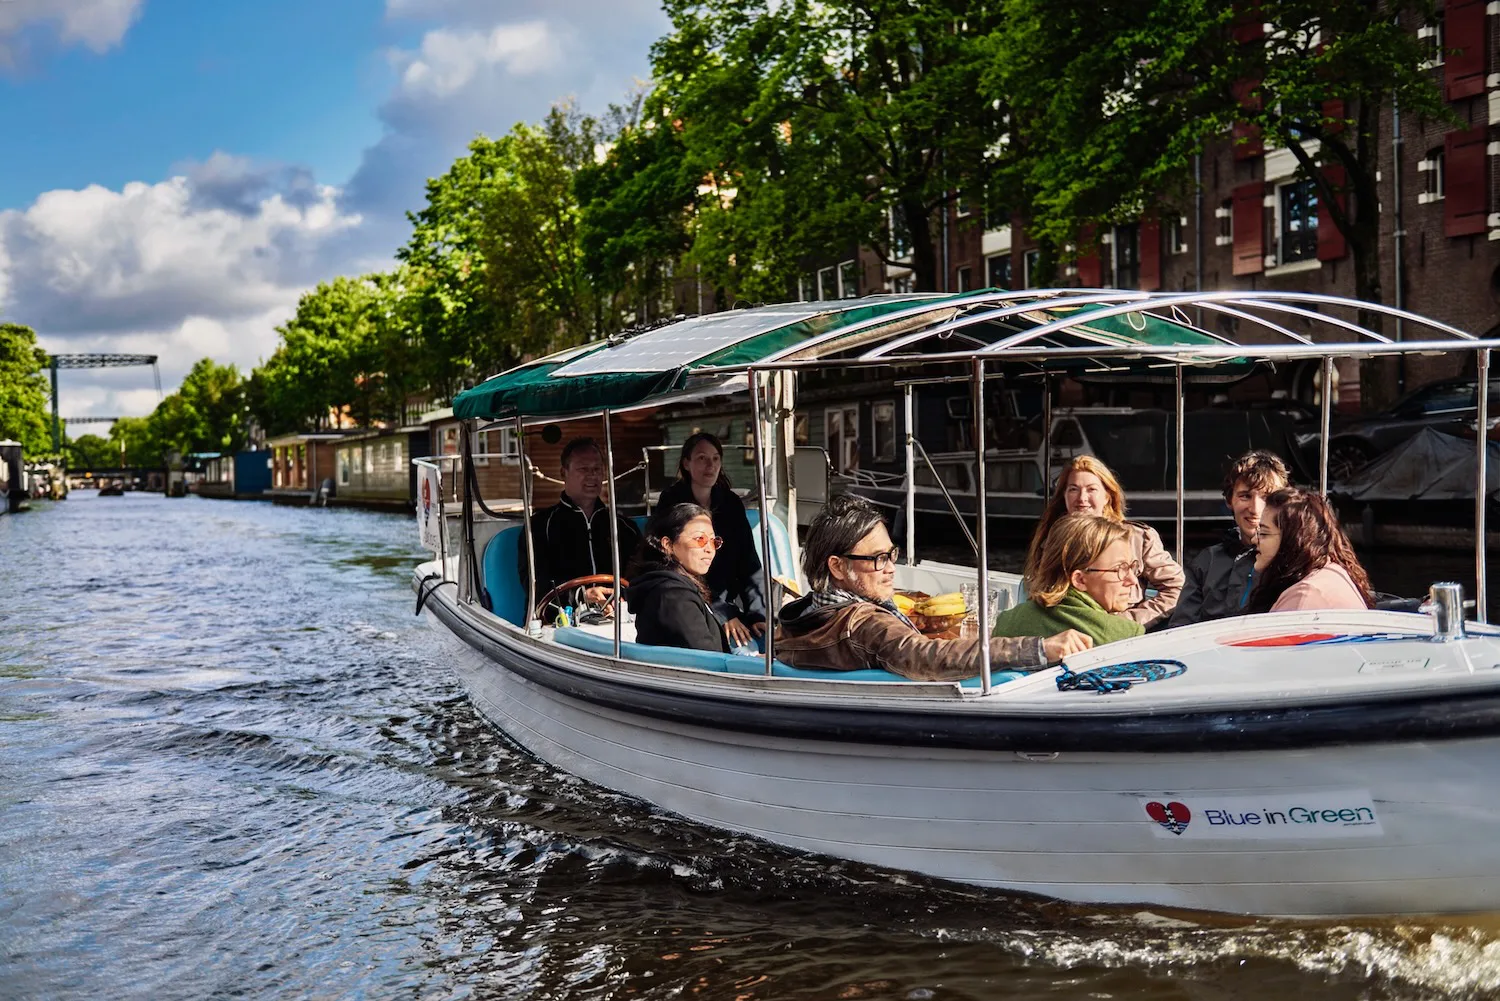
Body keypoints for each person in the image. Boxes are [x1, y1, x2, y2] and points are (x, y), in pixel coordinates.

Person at [776, 494, 1092, 681]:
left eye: (892, 554)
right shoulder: (863, 624)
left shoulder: (801, 616)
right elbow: (924, 655)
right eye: (878, 559)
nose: (891, 568)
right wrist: (1038, 649)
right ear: (837, 566)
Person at [1024, 456, 1184, 627]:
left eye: (1091, 489)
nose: (1082, 498)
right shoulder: (1051, 540)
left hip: (1119, 637)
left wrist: (1126, 622)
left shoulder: (1137, 538)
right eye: (1073, 489)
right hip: (1062, 631)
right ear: (1064, 495)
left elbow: (1178, 588)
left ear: (1107, 496)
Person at [656, 432, 766, 650]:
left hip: (731, 604)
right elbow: (673, 568)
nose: (711, 465)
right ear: (686, 463)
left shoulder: (731, 503)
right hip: (690, 602)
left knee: (769, 642)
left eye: (716, 458)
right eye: (702, 458)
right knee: (744, 651)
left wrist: (759, 614)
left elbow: (749, 563)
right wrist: (723, 613)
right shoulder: (671, 503)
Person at [521, 436, 643, 616]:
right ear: (563, 473)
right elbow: (535, 586)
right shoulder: (539, 527)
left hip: (619, 617)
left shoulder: (624, 528)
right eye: (583, 469)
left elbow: (641, 577)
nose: (592, 475)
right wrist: (581, 595)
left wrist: (623, 598)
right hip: (559, 621)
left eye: (597, 469)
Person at [1167, 450, 1290, 626]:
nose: (1255, 509)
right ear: (1229, 500)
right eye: (1245, 496)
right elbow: (1181, 627)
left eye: (1267, 497)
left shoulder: (1294, 559)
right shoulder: (1206, 562)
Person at [993, 514, 1146, 647]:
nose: (1132, 580)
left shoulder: (1007, 622)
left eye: (1132, 567)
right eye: (1120, 569)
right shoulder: (1126, 636)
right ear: (1080, 580)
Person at [1246, 488, 1376, 612]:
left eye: (1264, 533)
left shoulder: (1304, 597)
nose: (1254, 540)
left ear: (1293, 541)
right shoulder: (1330, 572)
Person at [624, 503, 728, 652]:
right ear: (668, 544)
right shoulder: (673, 595)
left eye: (714, 542)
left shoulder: (673, 586)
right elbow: (706, 656)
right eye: (700, 539)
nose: (709, 549)